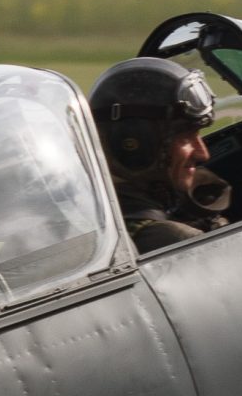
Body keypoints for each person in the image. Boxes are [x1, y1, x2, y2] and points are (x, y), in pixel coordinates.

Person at [89, 57, 232, 251]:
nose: (203, 154)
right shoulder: (174, 241)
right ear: (136, 141)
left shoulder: (85, 209)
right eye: (186, 137)